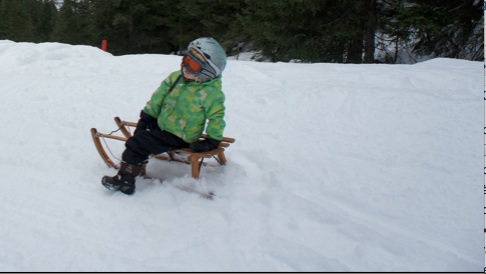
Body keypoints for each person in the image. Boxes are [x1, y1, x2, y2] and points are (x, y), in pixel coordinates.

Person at [101, 37, 227, 195]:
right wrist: (147, 117)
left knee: (137, 143)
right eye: (185, 60)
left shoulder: (211, 93)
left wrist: (212, 141)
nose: (185, 67)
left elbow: (217, 117)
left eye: (193, 65)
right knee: (140, 137)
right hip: (162, 126)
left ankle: (125, 179)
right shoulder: (176, 78)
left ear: (208, 72)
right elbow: (158, 98)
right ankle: (136, 161)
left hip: (180, 135)